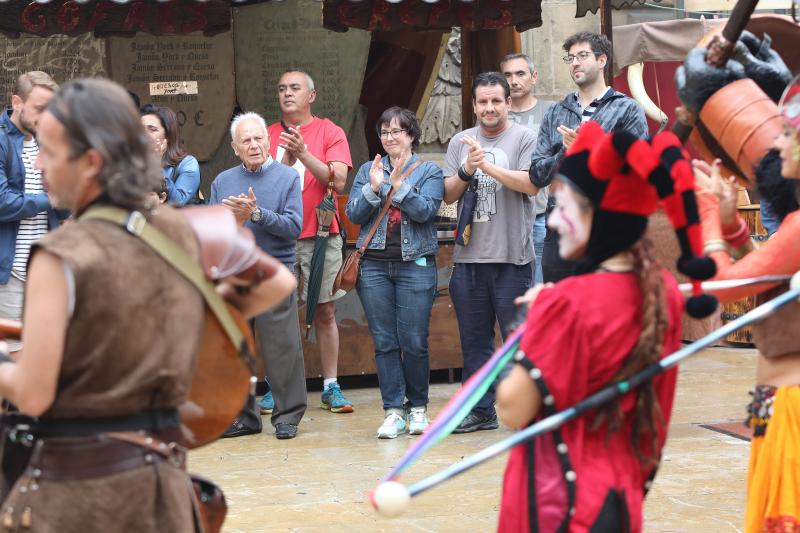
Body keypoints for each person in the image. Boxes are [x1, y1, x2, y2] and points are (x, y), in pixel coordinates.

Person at [0, 77, 295, 531]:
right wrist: (192, 313)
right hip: (163, 490)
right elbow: (276, 281)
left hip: (80, 496)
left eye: (49, 153)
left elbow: (34, 391)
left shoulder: (59, 254)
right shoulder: (177, 228)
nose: (38, 163)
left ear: (91, 162)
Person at [496, 121, 714, 531]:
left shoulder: (567, 304)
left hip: (560, 504)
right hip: (620, 495)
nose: (555, 221)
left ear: (602, 216)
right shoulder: (662, 290)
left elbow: (512, 407)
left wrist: (532, 320)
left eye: (564, 207)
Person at [695, 75, 800, 533]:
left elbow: (722, 289)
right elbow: (768, 277)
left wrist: (706, 218)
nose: (781, 143)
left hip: (791, 406)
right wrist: (731, 223)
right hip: (773, 401)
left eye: (791, 134)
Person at [442, 71, 538, 433]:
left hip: (514, 259)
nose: (489, 107)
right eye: (482, 102)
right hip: (468, 260)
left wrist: (488, 166)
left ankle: (526, 409)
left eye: (496, 101)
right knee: (475, 342)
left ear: (508, 103)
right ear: (474, 105)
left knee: (518, 343)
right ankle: (481, 410)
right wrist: (467, 169)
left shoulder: (526, 138)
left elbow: (530, 184)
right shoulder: (460, 142)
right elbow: (449, 194)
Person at [346, 107, 443, 439]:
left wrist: (396, 187)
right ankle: (393, 410)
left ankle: (418, 407)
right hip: (373, 264)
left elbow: (426, 212)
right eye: (385, 132)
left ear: (411, 135)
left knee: (414, 340)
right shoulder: (367, 169)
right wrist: (374, 189)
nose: (390, 138)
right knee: (385, 341)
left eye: (397, 131)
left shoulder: (428, 170)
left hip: (415, 264)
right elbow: (354, 214)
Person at [210, 111, 306, 440]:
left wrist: (258, 214)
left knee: (282, 348)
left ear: (269, 140)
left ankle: (287, 415)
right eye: (246, 141)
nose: (254, 145)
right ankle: (243, 416)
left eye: (259, 138)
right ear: (235, 148)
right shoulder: (223, 181)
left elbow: (294, 227)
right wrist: (234, 222)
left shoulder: (288, 177)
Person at [267, 69, 355, 414]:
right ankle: (279, 385)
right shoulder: (266, 133)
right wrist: (284, 159)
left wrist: (302, 153)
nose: (287, 94)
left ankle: (331, 385)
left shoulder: (329, 131)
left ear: (311, 96)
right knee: (277, 315)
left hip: (320, 234)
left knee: (326, 311)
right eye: (281, 89)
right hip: (277, 237)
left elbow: (340, 181)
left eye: (294, 88)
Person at [529, 31, 648, 283]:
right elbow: (536, 175)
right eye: (570, 58)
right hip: (560, 229)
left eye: (582, 56)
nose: (575, 63)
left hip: (609, 229)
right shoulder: (556, 112)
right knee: (561, 313)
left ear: (602, 60)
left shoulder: (626, 108)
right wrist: (565, 153)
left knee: (605, 313)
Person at [0, 71, 64, 352]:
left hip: (46, 268)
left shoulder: (48, 141)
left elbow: (63, 208)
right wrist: (51, 198)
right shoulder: (1, 141)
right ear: (17, 102)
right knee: (13, 355)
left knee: (47, 351)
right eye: (40, 108)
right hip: (9, 271)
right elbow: (2, 202)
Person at [501, 53, 555, 285]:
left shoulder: (552, 112)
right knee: (508, 293)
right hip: (503, 217)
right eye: (507, 75)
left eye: (520, 74)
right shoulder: (493, 113)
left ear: (534, 77)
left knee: (538, 290)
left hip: (540, 214)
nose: (513, 81)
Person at [140, 103, 201, 205]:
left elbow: (178, 203)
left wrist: (156, 165)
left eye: (152, 129)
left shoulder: (187, 163)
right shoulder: (132, 160)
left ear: (168, 136)